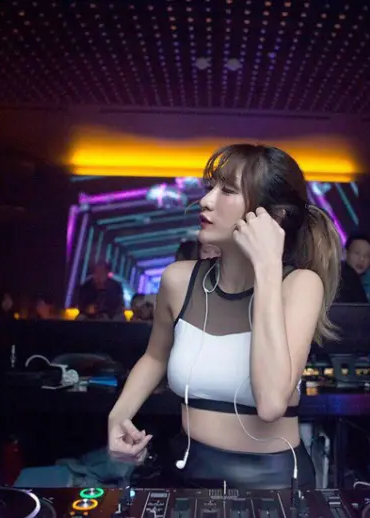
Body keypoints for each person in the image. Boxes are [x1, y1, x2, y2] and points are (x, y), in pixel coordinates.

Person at [107, 144, 341, 490]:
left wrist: (267, 267)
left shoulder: (300, 285)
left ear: (273, 217)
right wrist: (118, 415)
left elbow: (271, 403)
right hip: (187, 469)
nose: (205, 201)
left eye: (228, 190)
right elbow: (155, 357)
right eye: (210, 188)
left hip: (273, 482)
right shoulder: (178, 280)